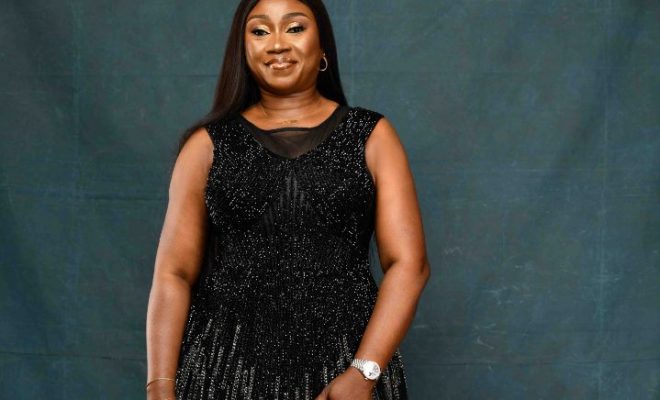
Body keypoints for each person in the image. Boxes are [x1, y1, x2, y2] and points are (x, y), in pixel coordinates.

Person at [145, 0, 430, 399]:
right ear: (243, 49)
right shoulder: (205, 147)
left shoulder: (372, 136)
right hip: (222, 374)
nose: (277, 43)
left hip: (346, 371)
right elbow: (173, 273)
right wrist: (160, 386)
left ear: (323, 46)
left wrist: (363, 373)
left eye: (295, 28)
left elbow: (409, 265)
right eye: (260, 31)